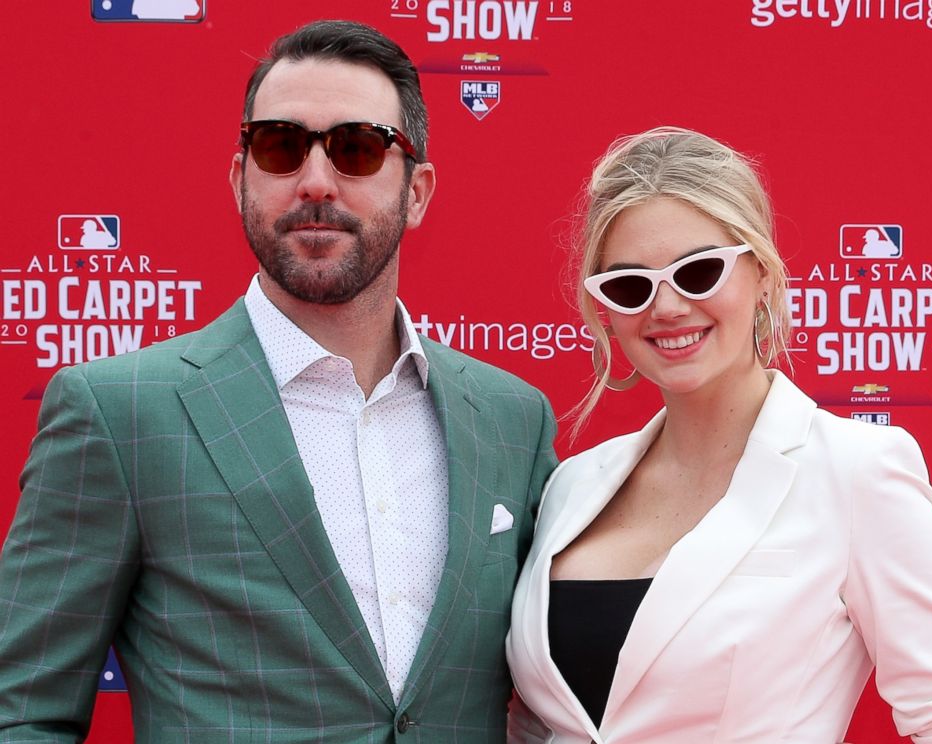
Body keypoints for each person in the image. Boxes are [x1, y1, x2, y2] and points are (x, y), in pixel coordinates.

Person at [0, 19, 557, 743]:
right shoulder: (121, 414)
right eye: (280, 146)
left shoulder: (512, 419)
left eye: (358, 148)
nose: (316, 182)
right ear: (241, 180)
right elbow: (22, 713)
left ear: (417, 192)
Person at [506, 126, 932, 743]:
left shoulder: (855, 471)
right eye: (630, 286)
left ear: (761, 274)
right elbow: (535, 724)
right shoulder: (573, 486)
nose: (668, 308)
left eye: (700, 271)